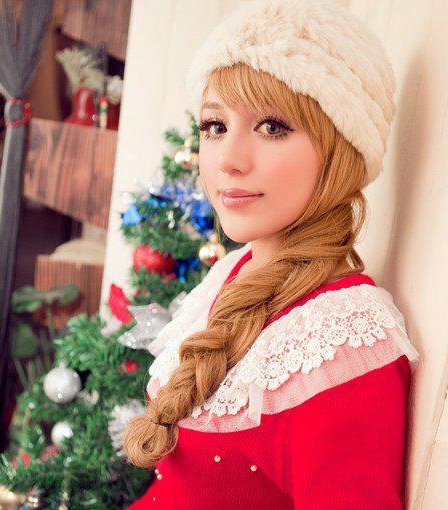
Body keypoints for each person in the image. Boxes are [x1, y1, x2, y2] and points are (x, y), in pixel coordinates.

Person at [124, 1, 421, 508]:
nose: (228, 160)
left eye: (272, 127)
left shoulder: (340, 345)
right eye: (215, 126)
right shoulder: (235, 270)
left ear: (339, 150)